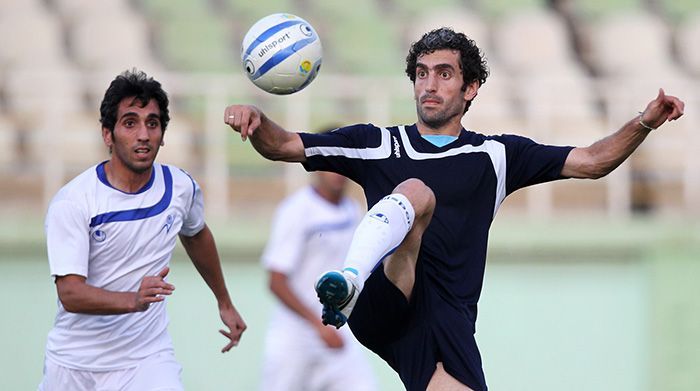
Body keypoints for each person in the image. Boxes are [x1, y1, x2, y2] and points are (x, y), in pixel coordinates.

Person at [223, 28, 684, 391]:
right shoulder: (377, 143)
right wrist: (259, 120)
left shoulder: (496, 156)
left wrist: (644, 122)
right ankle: (348, 281)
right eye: (421, 73)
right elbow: (283, 145)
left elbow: (591, 162)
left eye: (444, 73)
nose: (429, 84)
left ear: (471, 87)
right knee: (417, 193)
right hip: (383, 298)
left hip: (446, 322)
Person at [40, 69, 247, 391]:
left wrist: (224, 301)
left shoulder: (180, 187)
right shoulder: (74, 202)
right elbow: (70, 293)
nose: (143, 134)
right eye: (130, 122)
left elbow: (196, 234)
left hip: (146, 360)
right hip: (73, 365)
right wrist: (133, 299)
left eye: (153, 123)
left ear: (163, 135)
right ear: (107, 134)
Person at [260, 170, 377, 391]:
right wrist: (317, 326)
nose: (337, 175)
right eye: (329, 167)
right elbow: (276, 281)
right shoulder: (296, 210)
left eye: (341, 167)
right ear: (315, 169)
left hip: (339, 333)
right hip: (296, 337)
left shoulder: (352, 210)